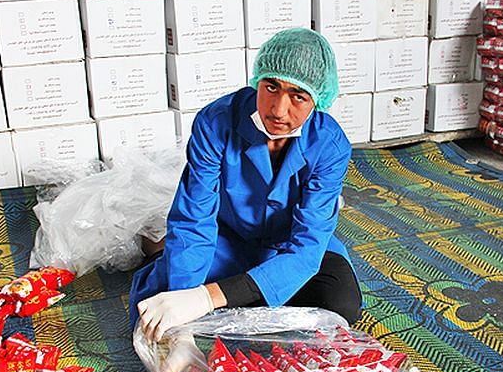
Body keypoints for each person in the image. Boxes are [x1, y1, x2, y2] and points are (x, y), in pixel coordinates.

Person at [129, 28, 362, 345]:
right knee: (166, 292)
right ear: (257, 80)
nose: (279, 109)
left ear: (318, 100)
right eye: (271, 86)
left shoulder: (331, 145)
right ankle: (161, 251)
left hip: (287, 246)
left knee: (340, 303)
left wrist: (207, 298)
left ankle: (238, 288)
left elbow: (306, 248)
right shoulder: (215, 123)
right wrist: (183, 318)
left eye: (298, 96)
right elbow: (196, 218)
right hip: (226, 239)